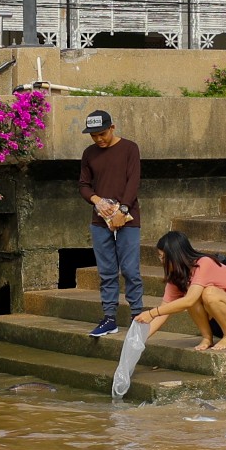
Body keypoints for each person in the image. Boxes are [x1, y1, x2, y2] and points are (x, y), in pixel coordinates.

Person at [135, 230, 226, 351]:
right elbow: (164, 311)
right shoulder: (176, 276)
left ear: (175, 255)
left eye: (163, 257)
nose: (161, 262)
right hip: (217, 325)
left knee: (207, 293)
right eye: (160, 257)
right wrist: (138, 340)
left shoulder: (204, 263)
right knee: (192, 295)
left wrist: (151, 313)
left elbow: (189, 301)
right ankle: (207, 337)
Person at [78, 109, 142, 337]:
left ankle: (137, 316)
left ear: (112, 127)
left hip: (128, 218)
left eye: (102, 134)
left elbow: (133, 181)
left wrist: (122, 210)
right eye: (94, 136)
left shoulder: (129, 148)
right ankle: (109, 318)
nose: (99, 139)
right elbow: (84, 185)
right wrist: (96, 200)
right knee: (106, 272)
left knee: (130, 270)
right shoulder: (89, 153)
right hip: (100, 220)